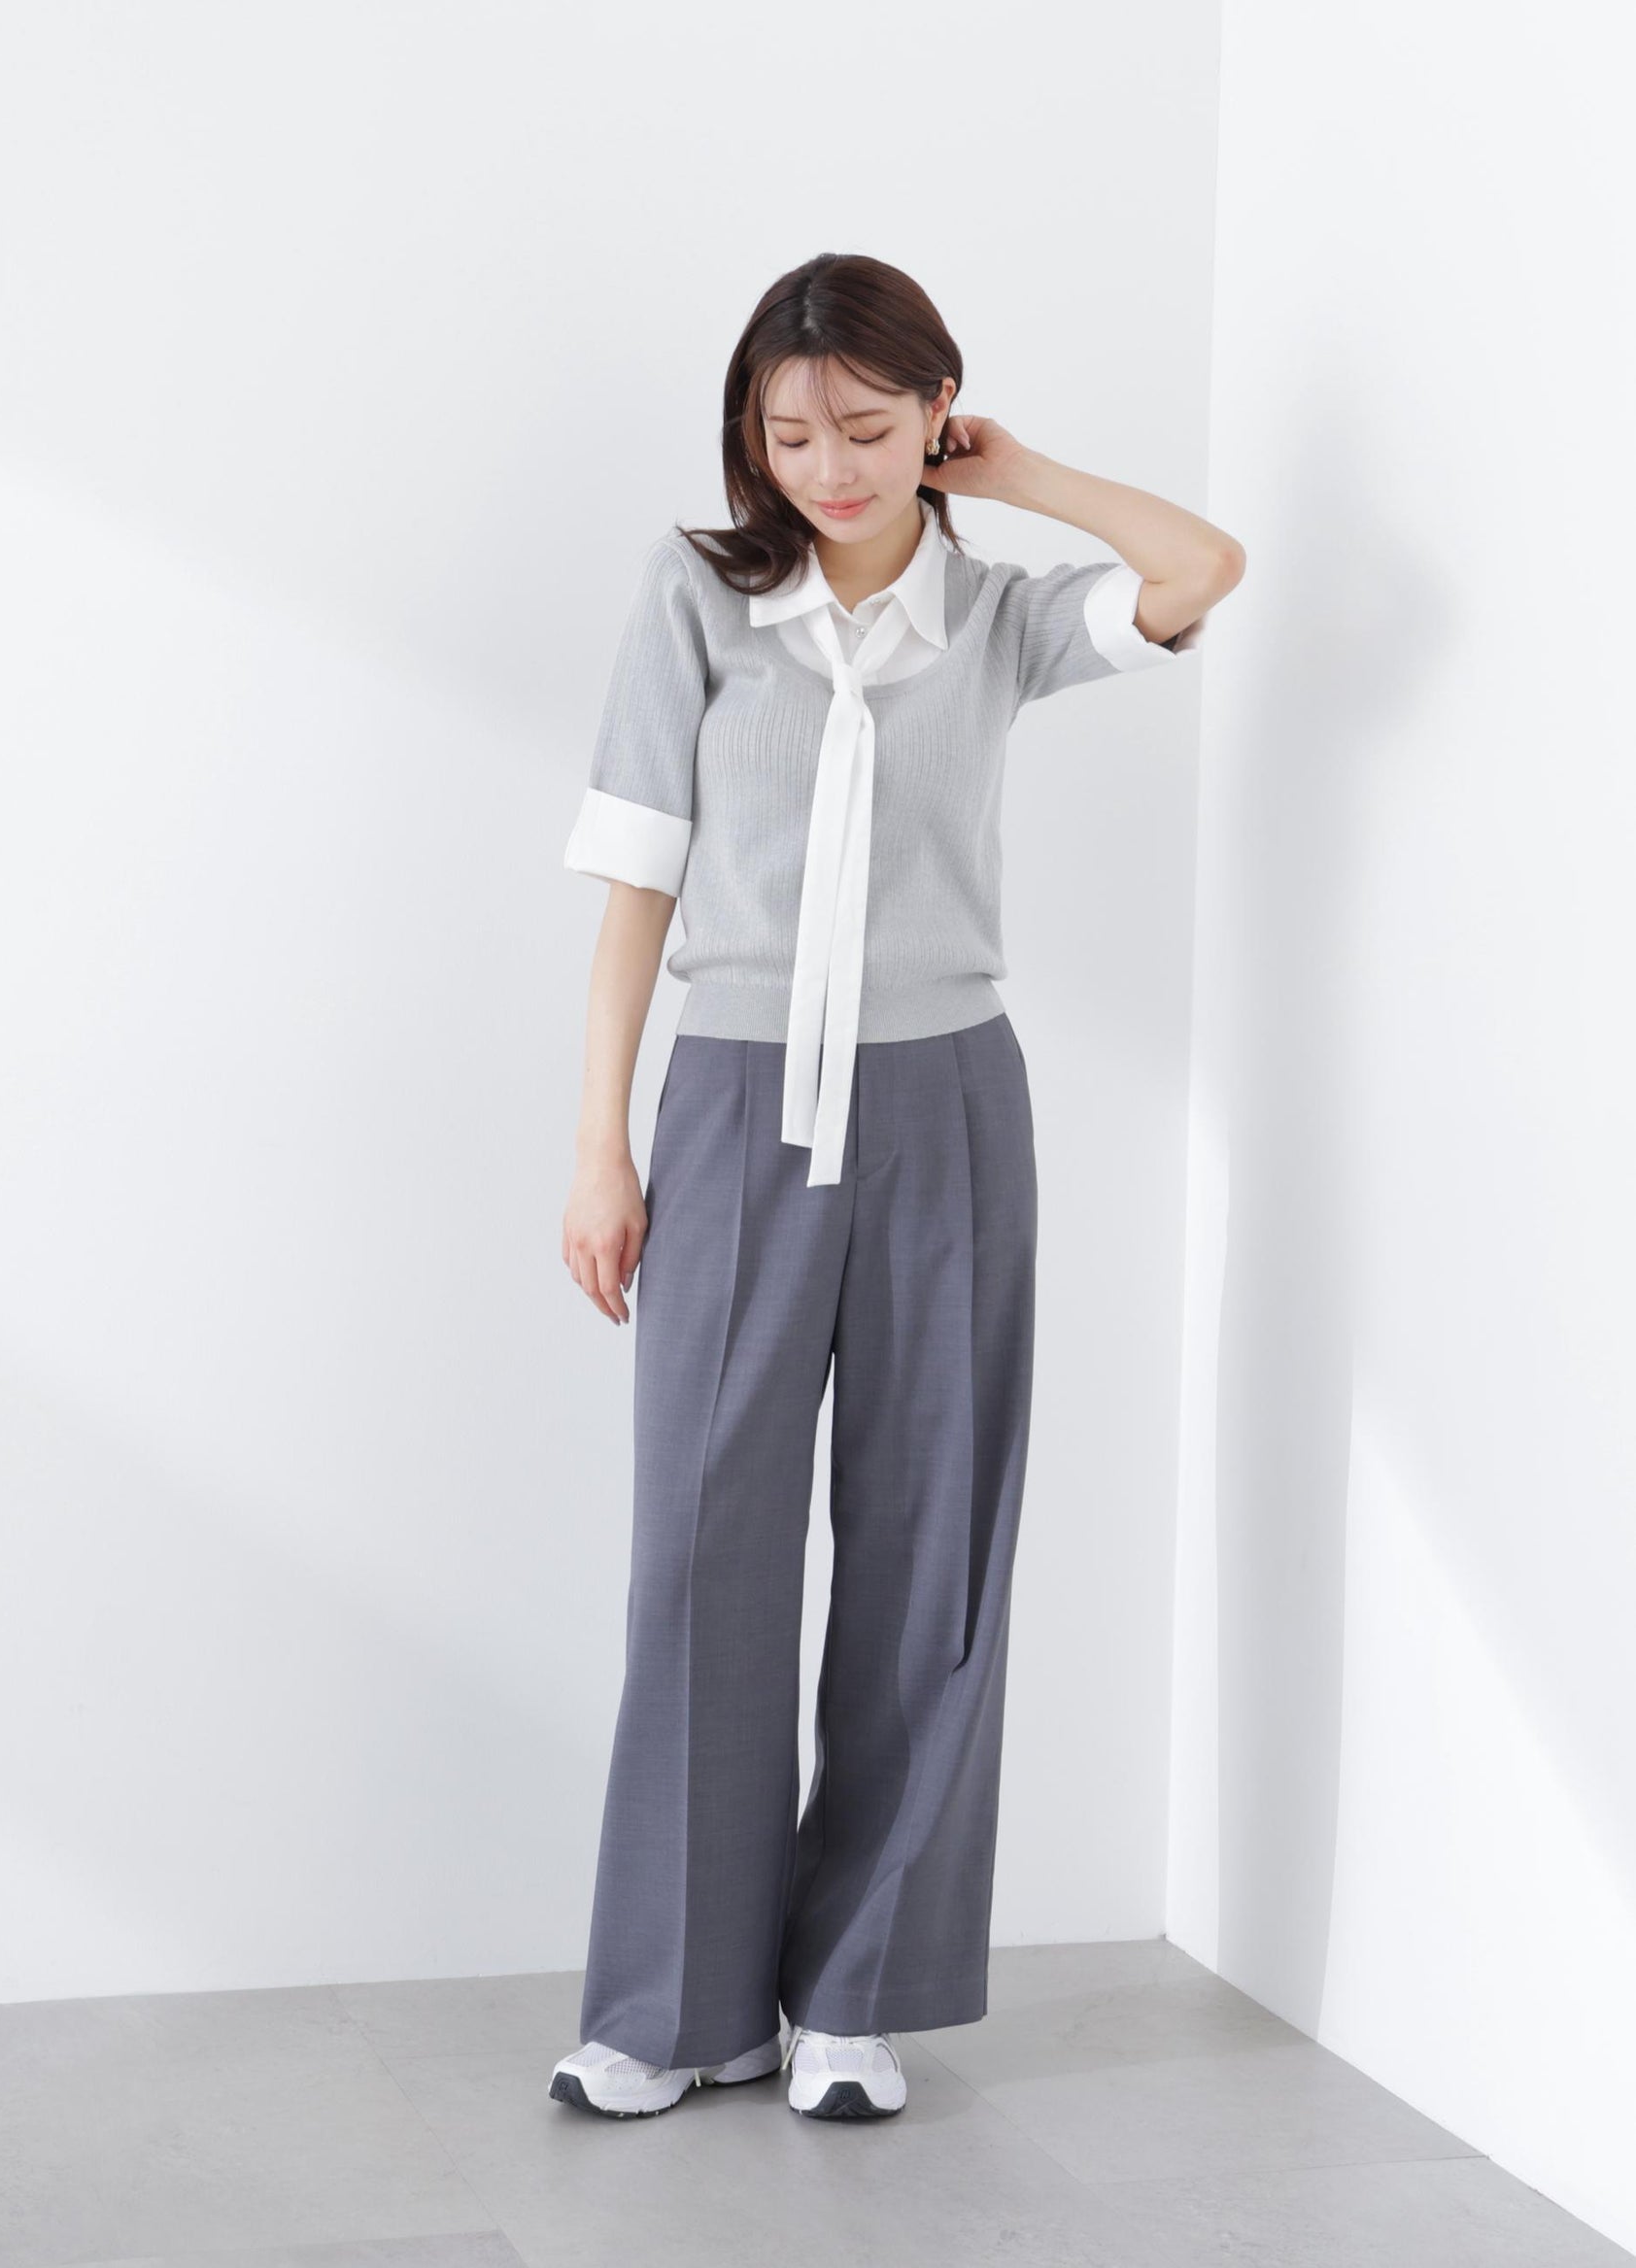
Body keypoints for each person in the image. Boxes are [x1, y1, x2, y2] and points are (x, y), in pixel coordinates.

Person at [548, 253, 1244, 2122]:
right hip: (733, 1096)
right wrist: (602, 1143)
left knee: (929, 1545)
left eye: (866, 428)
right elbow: (635, 880)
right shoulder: (697, 594)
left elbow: (1200, 570)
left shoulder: (999, 616)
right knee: (705, 1542)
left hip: (949, 1103)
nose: (827, 469)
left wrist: (1019, 478)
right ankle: (678, 2006)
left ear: (936, 413)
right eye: (788, 435)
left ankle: (851, 1994)